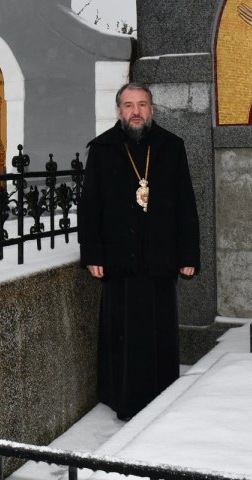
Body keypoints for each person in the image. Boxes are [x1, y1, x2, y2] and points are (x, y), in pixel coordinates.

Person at [77, 83, 200, 420]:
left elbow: (186, 204)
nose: (136, 111)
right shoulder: (103, 149)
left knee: (159, 331)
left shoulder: (171, 147)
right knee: (123, 332)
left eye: (142, 104)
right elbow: (90, 207)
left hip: (160, 258)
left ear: (151, 109)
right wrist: (92, 254)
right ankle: (123, 399)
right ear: (119, 110)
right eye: (129, 105)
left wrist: (189, 255)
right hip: (118, 259)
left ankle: (162, 399)